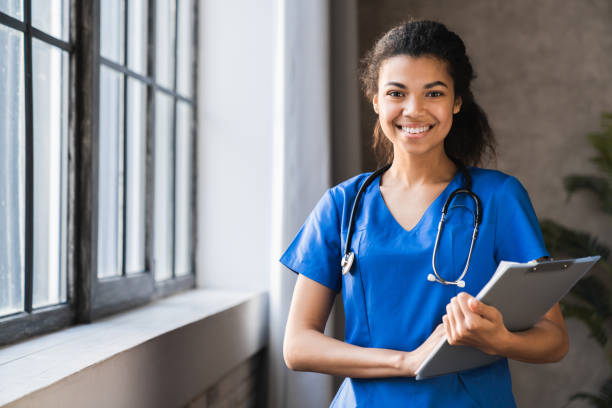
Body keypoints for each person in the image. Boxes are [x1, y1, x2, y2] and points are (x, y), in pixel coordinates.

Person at [279, 20, 569, 407]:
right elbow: (297, 346)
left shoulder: (499, 197)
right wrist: (408, 361)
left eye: (433, 93)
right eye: (396, 93)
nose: (414, 110)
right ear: (376, 100)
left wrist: (501, 339)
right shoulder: (342, 205)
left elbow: (554, 339)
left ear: (456, 101)